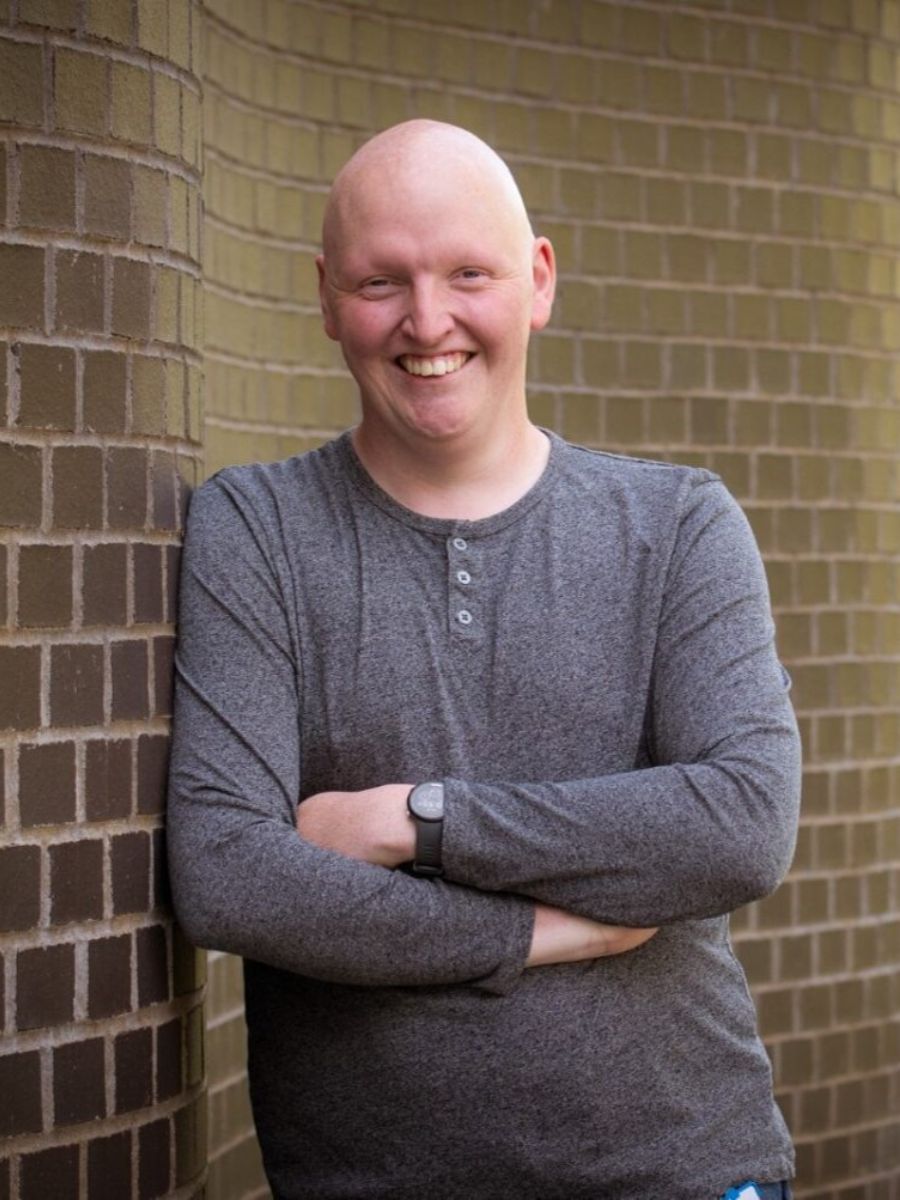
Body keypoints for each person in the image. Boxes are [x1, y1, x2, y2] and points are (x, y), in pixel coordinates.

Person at [167, 120, 801, 1199]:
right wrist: (535, 932)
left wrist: (417, 820)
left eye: (468, 273)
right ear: (325, 297)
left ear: (539, 280)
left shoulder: (678, 525)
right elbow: (230, 875)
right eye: (382, 281)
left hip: (685, 1170)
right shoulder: (256, 529)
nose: (428, 321)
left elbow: (739, 825)